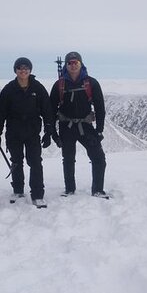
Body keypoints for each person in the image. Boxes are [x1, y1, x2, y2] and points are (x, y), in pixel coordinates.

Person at [0, 57, 55, 208]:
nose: (23, 70)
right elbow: (1, 113)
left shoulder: (37, 88)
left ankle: (38, 195)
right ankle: (18, 190)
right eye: (20, 68)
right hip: (14, 130)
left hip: (32, 131)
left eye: (26, 68)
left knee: (35, 162)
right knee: (16, 161)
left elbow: (47, 110)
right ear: (15, 70)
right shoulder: (9, 89)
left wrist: (48, 132)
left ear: (30, 70)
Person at [49, 51, 107, 198]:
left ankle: (98, 190)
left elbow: (100, 108)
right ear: (66, 65)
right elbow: (50, 110)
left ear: (81, 64)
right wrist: (53, 134)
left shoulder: (91, 83)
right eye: (70, 63)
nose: (73, 65)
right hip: (66, 126)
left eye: (76, 63)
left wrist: (99, 131)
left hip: (85, 126)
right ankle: (69, 189)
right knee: (68, 158)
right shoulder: (59, 85)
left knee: (98, 157)